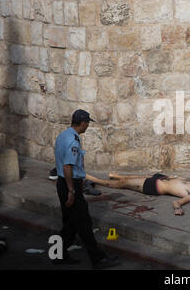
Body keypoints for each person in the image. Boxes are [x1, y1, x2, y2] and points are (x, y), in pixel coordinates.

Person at [54, 109, 120, 269]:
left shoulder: (64, 135)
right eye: (87, 122)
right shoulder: (73, 142)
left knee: (70, 223)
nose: (88, 125)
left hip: (63, 183)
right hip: (69, 185)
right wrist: (71, 191)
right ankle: (98, 259)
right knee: (84, 223)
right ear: (82, 123)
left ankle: (57, 255)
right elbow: (68, 166)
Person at [84, 172, 190, 216]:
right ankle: (115, 176)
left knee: (123, 183)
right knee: (130, 178)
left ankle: (91, 179)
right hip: (162, 177)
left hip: (155, 186)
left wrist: (177, 209)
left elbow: (177, 202)